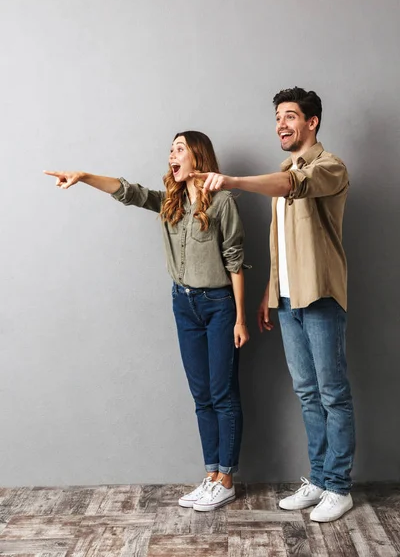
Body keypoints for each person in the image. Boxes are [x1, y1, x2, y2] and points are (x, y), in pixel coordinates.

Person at [44, 130, 249, 511]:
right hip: (183, 305)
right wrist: (85, 176)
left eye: (180, 149)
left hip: (219, 305)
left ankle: (226, 478)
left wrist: (240, 318)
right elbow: (129, 191)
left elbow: (235, 261)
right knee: (201, 395)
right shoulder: (169, 203)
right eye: (171, 149)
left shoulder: (222, 203)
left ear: (197, 158)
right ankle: (210, 475)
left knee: (222, 393)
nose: (172, 154)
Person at [192, 88, 356, 523]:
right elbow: (282, 243)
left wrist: (233, 181)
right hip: (287, 298)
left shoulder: (329, 167)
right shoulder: (285, 168)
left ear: (312, 122)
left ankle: (339, 487)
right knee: (306, 394)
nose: (281, 125)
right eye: (278, 118)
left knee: (332, 394)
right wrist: (269, 292)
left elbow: (292, 186)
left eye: (289, 117)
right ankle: (319, 479)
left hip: (320, 294)